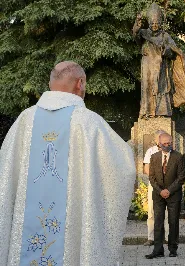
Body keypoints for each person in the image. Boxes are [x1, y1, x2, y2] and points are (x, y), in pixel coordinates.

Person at [0, 61, 136, 266]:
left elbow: (6, 175)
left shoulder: (24, 121)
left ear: (50, 82)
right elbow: (122, 170)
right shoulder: (89, 123)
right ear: (80, 84)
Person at [132, 3, 185, 117]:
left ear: (160, 23)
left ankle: (161, 113)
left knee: (161, 89)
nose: (155, 25)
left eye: (157, 23)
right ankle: (146, 112)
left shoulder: (165, 36)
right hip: (147, 66)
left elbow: (174, 53)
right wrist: (137, 24)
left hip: (161, 68)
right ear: (149, 23)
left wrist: (166, 51)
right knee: (147, 88)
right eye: (152, 23)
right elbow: (135, 36)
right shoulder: (144, 33)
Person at [146, 133, 185, 259]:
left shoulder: (178, 157)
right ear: (159, 143)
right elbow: (151, 177)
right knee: (158, 222)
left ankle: (173, 249)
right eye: (165, 143)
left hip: (173, 195)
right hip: (158, 195)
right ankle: (158, 249)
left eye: (169, 143)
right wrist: (160, 191)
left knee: (173, 222)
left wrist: (169, 190)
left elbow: (181, 177)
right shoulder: (154, 157)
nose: (167, 145)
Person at [143, 130, 169, 246]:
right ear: (156, 140)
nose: (162, 141)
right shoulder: (151, 151)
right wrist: (155, 182)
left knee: (168, 213)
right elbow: (146, 169)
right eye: (159, 138)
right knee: (152, 212)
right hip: (154, 185)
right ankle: (151, 237)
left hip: (168, 186)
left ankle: (168, 237)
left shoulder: (171, 151)